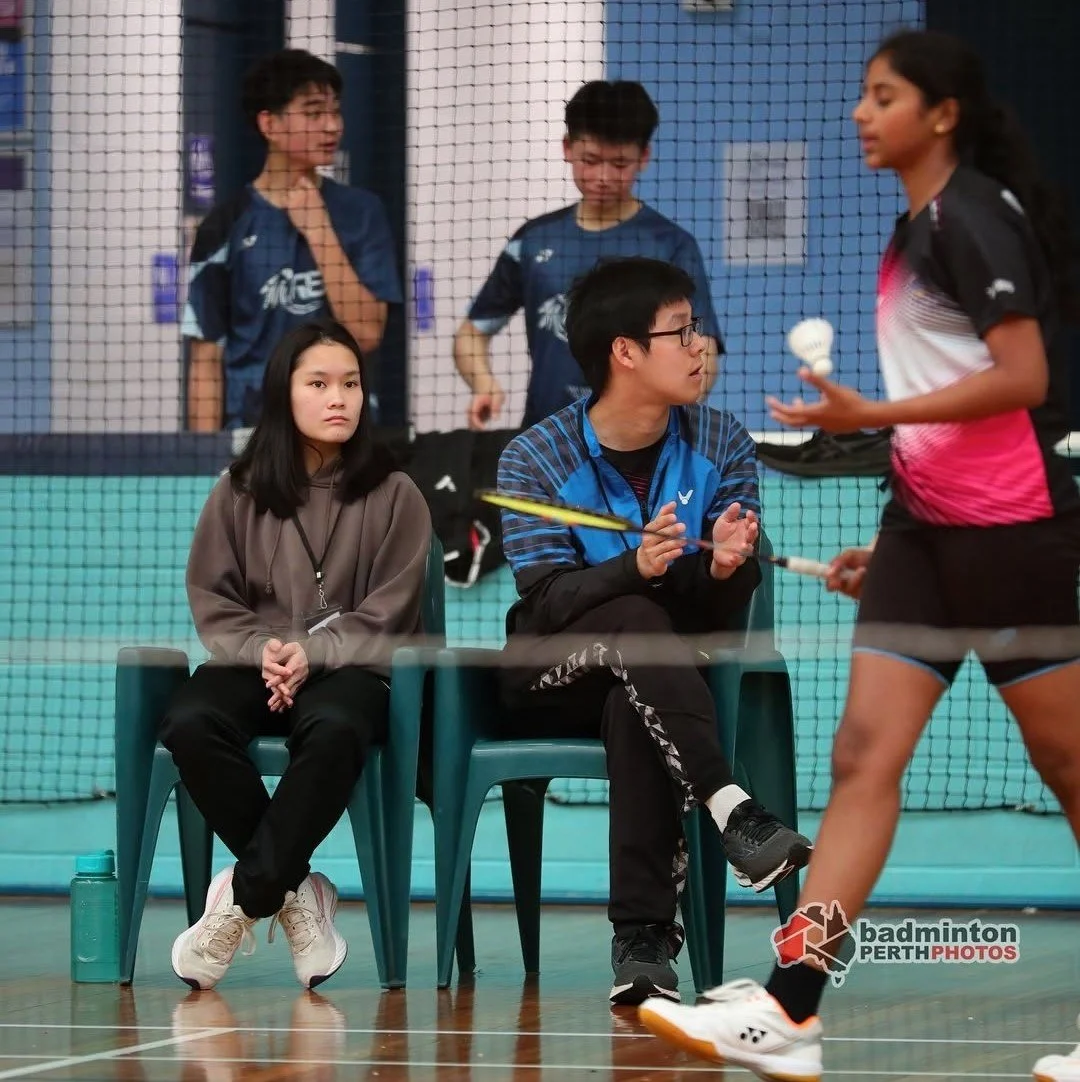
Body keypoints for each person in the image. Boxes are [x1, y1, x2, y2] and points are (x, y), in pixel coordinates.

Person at [637, 30, 1080, 1082]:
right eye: (862, 94)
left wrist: (867, 412)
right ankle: (792, 1007)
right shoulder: (914, 227)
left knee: (1071, 767)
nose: (858, 112)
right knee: (860, 760)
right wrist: (886, 542)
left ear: (942, 114)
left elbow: (1022, 377)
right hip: (927, 533)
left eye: (882, 96)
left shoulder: (973, 216)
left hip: (1012, 533)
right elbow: (944, 416)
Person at [496, 256, 813, 1007]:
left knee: (636, 696)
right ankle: (735, 808)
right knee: (634, 623)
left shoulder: (722, 441)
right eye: (681, 332)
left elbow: (707, 613)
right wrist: (634, 567)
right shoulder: (535, 457)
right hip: (547, 675)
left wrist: (730, 567)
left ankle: (642, 947)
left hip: (655, 680)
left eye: (696, 328)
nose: (702, 345)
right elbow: (545, 604)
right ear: (625, 353)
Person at [160, 317, 431, 990]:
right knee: (191, 722)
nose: (339, 397)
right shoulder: (237, 490)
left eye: (351, 383)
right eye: (319, 383)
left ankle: (248, 896)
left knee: (337, 727)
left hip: (353, 670)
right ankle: (296, 893)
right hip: (253, 665)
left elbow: (390, 613)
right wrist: (266, 653)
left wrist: (313, 653)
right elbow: (214, 601)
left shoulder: (397, 494)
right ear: (285, 395)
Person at [455, 80, 723, 431]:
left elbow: (702, 348)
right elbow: (472, 334)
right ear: (567, 148)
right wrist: (484, 384)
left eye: (620, 163)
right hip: (548, 441)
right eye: (590, 160)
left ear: (644, 157)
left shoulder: (671, 246)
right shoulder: (533, 241)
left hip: (643, 444)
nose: (602, 177)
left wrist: (691, 387)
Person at [184, 49, 402, 431]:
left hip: (344, 435)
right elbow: (205, 359)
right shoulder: (224, 226)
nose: (332, 126)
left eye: (335, 112)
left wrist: (318, 229)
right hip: (254, 435)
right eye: (314, 113)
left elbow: (366, 334)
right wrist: (204, 464)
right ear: (269, 124)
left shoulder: (362, 213)